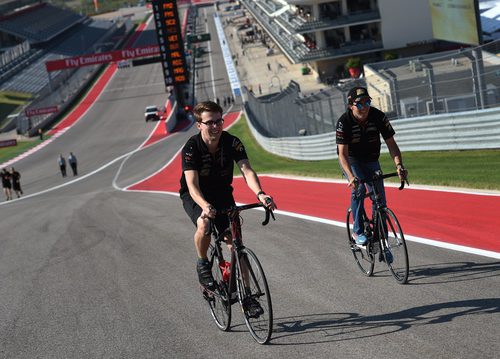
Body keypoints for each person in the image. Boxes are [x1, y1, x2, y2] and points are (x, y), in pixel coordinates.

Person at [179, 101, 276, 313]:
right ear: (199, 125)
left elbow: (247, 170)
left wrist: (261, 193)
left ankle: (248, 297)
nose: (216, 126)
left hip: (222, 194)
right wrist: (204, 206)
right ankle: (203, 263)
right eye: (210, 122)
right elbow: (192, 185)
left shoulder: (232, 142)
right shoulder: (192, 147)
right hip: (197, 195)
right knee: (204, 224)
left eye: (219, 121)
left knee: (236, 246)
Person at [336, 87, 407, 246]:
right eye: (359, 104)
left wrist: (399, 166)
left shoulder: (378, 116)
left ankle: (379, 235)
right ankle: (358, 231)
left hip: (372, 160)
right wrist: (351, 176)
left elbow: (391, 144)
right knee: (359, 189)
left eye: (367, 102)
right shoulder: (344, 122)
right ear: (351, 106)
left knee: (380, 199)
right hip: (352, 161)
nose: (365, 106)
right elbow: (342, 154)